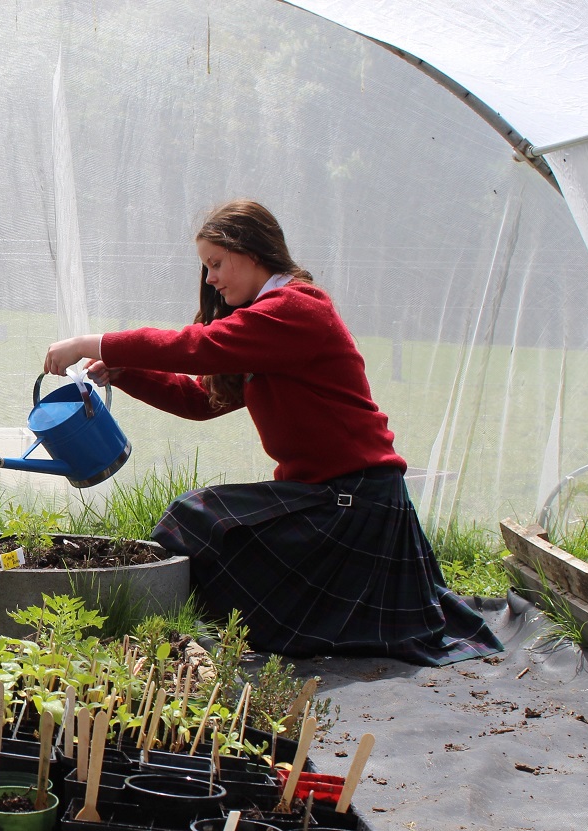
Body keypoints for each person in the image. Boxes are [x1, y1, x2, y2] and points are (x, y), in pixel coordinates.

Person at [42, 199, 502, 666]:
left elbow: (196, 346)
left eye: (216, 264)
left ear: (253, 252)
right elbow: (202, 401)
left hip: (357, 500)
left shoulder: (298, 310)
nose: (210, 280)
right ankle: (261, 625)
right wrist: (124, 372)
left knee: (199, 516)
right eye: (206, 268)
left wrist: (93, 342)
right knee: (212, 527)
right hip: (321, 495)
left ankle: (211, 627)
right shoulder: (265, 322)